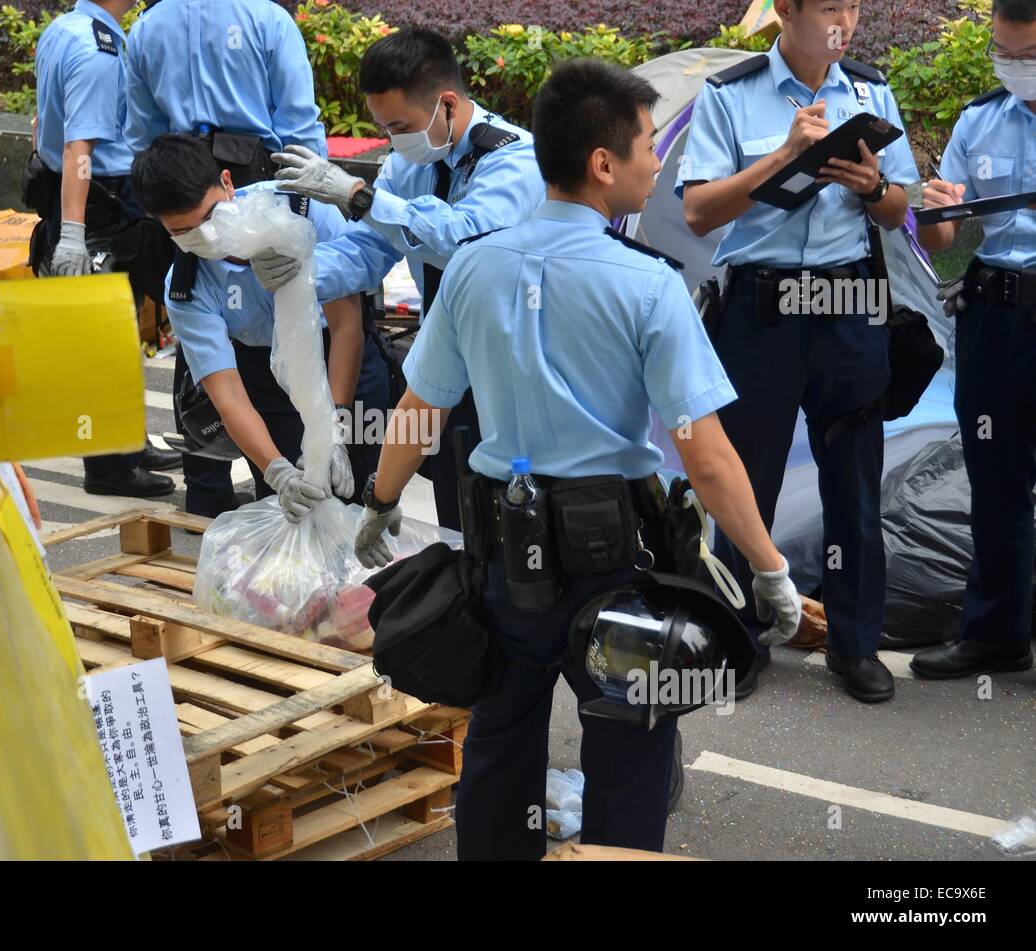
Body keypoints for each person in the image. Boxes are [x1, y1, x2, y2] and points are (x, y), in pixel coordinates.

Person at [351, 59, 801, 860]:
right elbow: (706, 457)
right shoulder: (649, 286)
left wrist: (381, 504)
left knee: (499, 742)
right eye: (646, 149)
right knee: (629, 747)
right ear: (603, 164)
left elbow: (421, 408)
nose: (657, 165)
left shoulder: (472, 269)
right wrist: (768, 568)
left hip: (502, 561)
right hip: (616, 564)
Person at [676, 0, 920, 702]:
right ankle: (739, 636)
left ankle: (854, 643)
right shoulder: (731, 94)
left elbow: (903, 210)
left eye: (855, 6)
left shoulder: (870, 91)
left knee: (854, 480)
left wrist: (874, 187)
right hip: (763, 305)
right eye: (831, 6)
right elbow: (698, 211)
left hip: (847, 305)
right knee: (743, 479)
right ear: (787, 8)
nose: (846, 21)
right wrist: (784, 156)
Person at [253, 28, 546, 531]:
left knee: (520, 524)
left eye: (400, 125)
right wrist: (302, 272)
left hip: (516, 370)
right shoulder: (409, 163)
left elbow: (461, 242)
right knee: (459, 510)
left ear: (447, 104)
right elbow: (372, 249)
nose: (393, 140)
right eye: (384, 128)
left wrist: (362, 199)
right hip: (445, 363)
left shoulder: (516, 160)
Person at [123, 0, 327, 517]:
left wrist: (177, 210)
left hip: (187, 198)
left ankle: (209, 500)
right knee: (244, 345)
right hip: (240, 197)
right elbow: (301, 137)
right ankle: (274, 486)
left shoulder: (148, 28)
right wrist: (298, 227)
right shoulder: (265, 19)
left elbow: (142, 136)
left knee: (202, 345)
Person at [130, 135, 390, 519]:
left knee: (366, 506)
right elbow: (229, 394)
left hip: (342, 365)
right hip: (265, 376)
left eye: (209, 215)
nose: (205, 234)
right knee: (298, 516)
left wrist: (332, 427)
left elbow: (346, 323)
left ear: (227, 183)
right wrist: (277, 472)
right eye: (183, 231)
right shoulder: (185, 287)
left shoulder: (299, 204)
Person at [910, 0, 1036, 680]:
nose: (1014, 68)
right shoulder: (979, 120)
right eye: (1005, 54)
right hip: (992, 314)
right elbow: (948, 251)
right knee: (994, 476)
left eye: (1028, 56)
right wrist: (937, 218)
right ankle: (995, 634)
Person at [30, 0, 179, 497]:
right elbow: (80, 148)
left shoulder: (63, 29)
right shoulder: (99, 48)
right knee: (107, 334)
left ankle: (127, 442)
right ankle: (110, 467)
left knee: (117, 326)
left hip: (74, 197)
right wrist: (74, 234)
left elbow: (42, 125)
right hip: (99, 205)